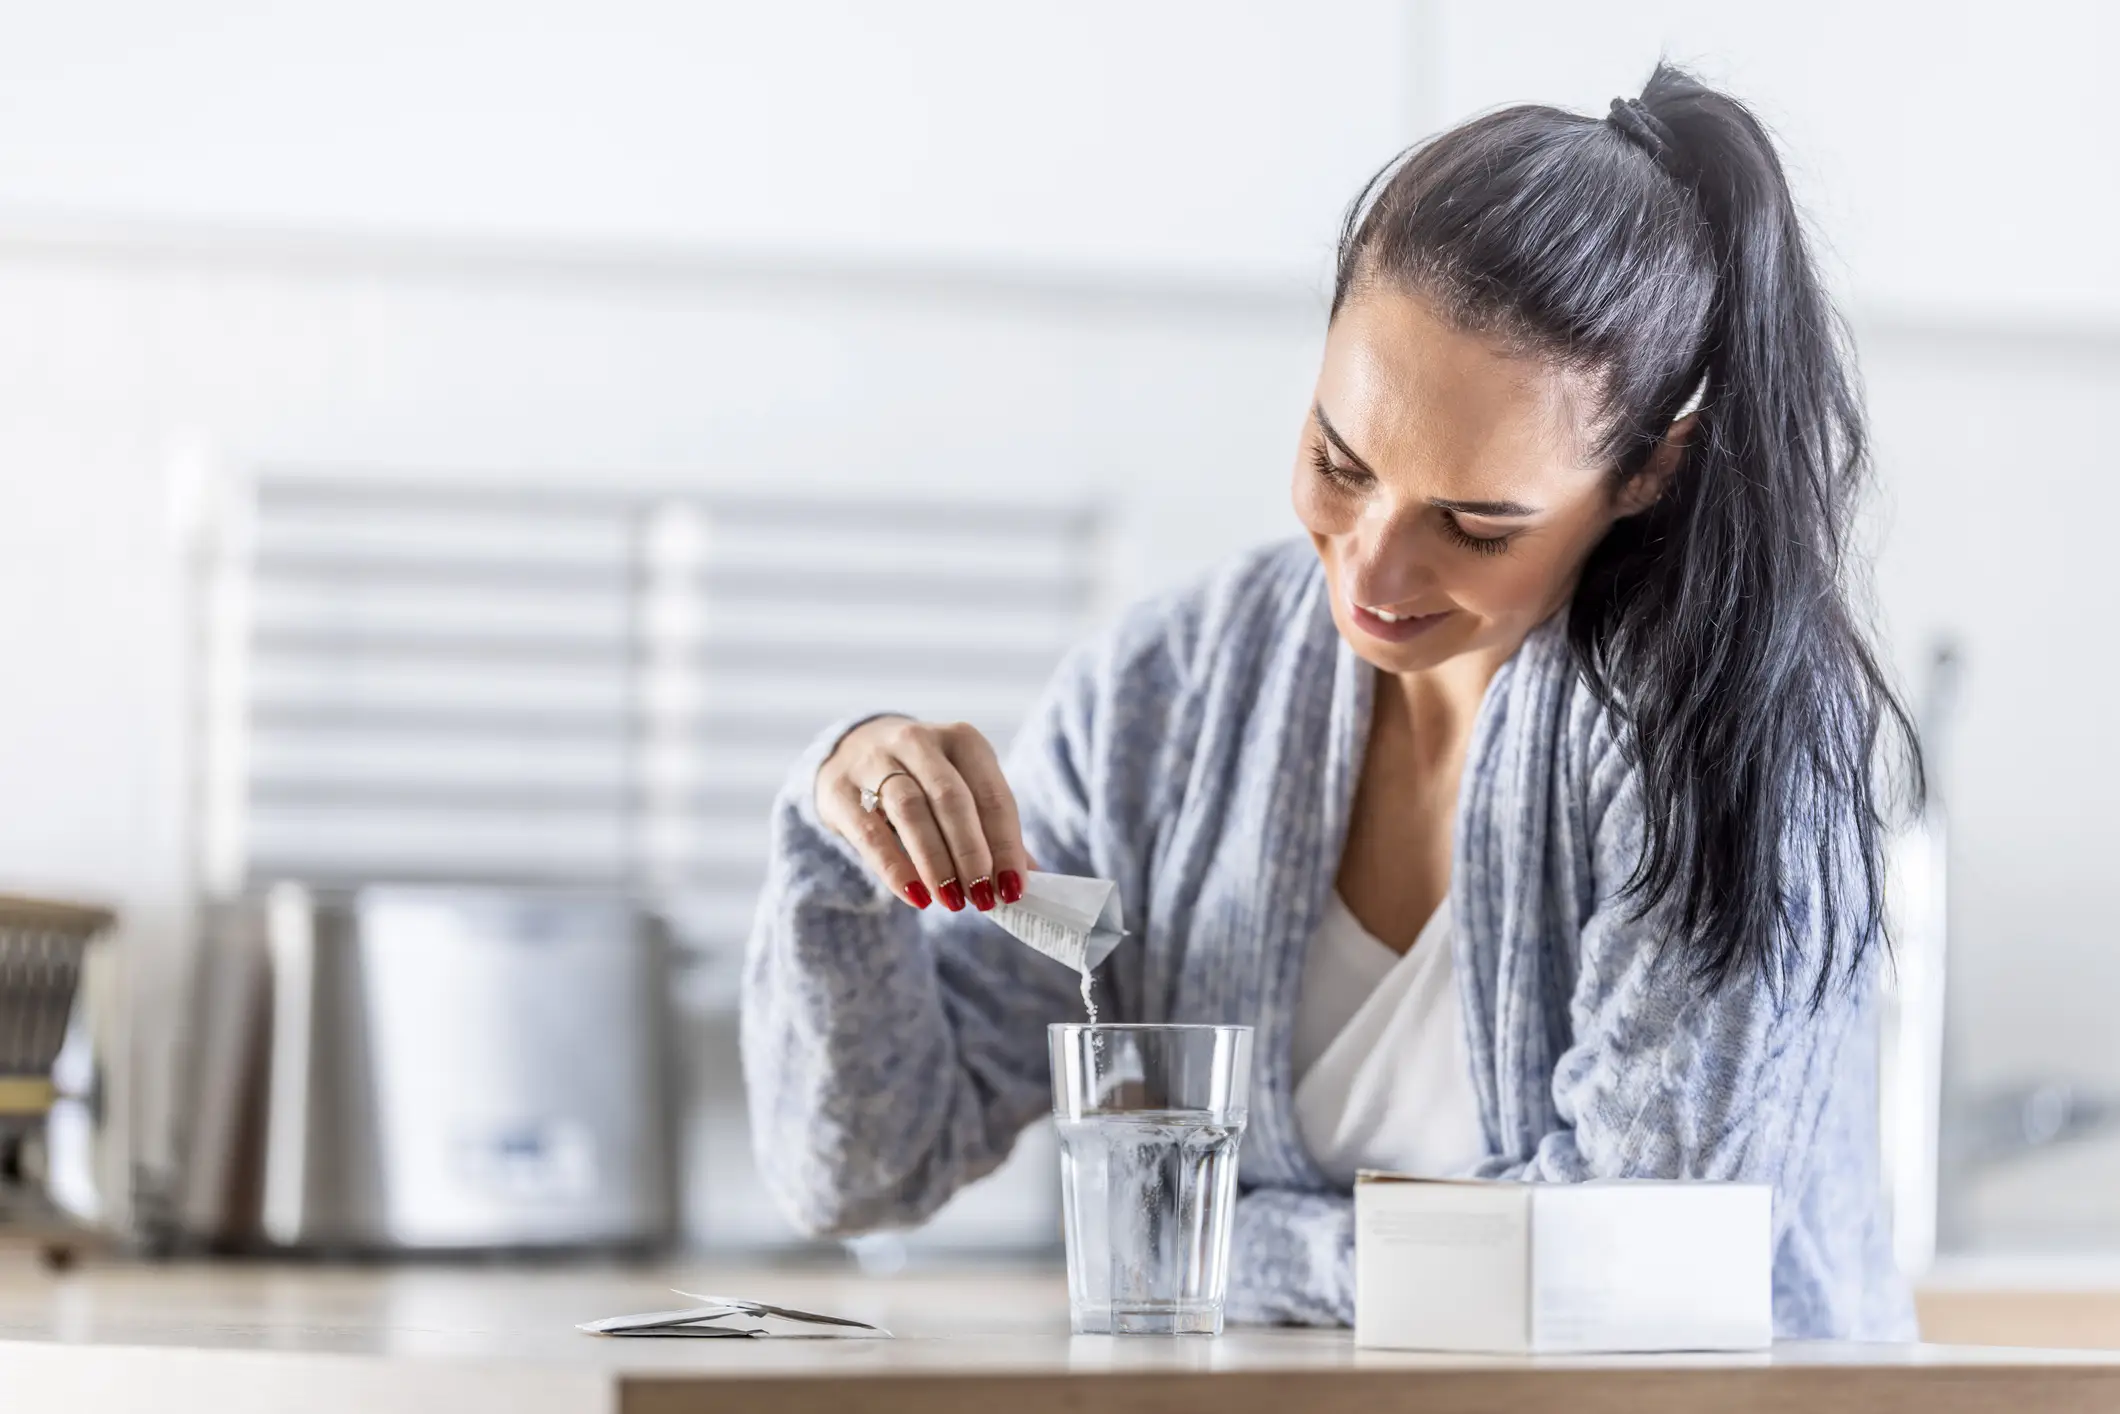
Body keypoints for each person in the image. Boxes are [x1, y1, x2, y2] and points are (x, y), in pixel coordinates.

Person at [741, 63, 1919, 1338]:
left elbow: (1620, 1265)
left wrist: (1205, 1241)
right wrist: (845, 819)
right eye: (1335, 460)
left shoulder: (1723, 738)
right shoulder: (1165, 696)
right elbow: (863, 1168)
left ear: (1646, 471)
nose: (1368, 570)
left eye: (1475, 525)